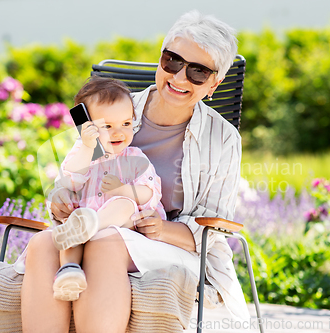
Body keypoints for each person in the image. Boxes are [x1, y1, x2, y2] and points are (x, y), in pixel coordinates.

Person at [21, 10, 250, 332]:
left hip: (170, 245)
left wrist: (159, 228)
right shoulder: (115, 112)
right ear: (160, 58)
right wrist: (63, 197)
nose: (179, 78)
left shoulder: (223, 138)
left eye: (198, 72)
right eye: (172, 61)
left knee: (106, 241)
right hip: (95, 224)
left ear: (215, 83)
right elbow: (79, 172)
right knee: (44, 244)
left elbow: (214, 227)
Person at [49, 77, 166, 302]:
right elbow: (71, 180)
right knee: (74, 222)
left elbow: (150, 192)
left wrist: (123, 190)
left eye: (126, 124)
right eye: (107, 126)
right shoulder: (84, 153)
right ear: (87, 128)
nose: (118, 133)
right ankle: (70, 270)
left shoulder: (135, 158)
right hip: (86, 223)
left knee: (125, 204)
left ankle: (88, 226)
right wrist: (87, 147)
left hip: (123, 228)